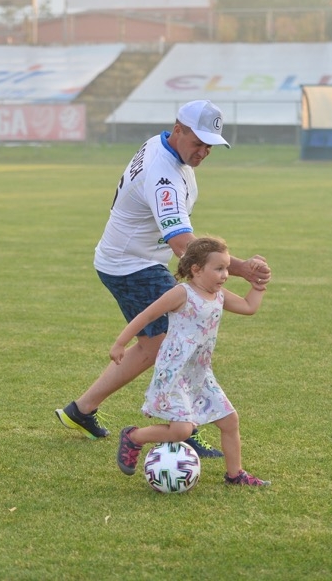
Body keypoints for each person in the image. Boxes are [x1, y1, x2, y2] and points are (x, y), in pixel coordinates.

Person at [55, 99, 271, 458]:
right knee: (174, 344)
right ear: (178, 128)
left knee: (161, 345)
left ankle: (82, 410)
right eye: (197, 142)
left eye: (210, 146)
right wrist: (241, 267)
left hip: (137, 260)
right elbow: (184, 246)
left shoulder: (163, 146)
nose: (203, 152)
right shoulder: (164, 175)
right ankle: (178, 430)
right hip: (131, 264)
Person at [111, 237, 270, 486]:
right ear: (196, 269)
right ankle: (135, 436)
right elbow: (147, 315)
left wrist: (258, 286)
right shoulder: (182, 293)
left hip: (199, 373)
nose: (225, 275)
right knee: (182, 431)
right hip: (174, 370)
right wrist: (121, 342)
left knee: (230, 420)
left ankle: (235, 475)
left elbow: (249, 306)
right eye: (218, 269)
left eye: (226, 268)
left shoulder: (218, 295)